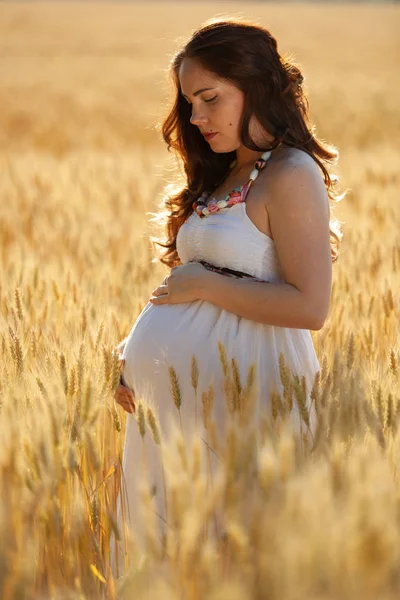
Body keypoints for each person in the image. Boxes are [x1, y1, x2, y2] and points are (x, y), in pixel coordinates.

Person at [109, 17, 343, 578]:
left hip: (245, 407)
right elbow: (187, 283)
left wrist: (207, 286)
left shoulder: (289, 173)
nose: (196, 117)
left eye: (210, 98)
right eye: (189, 102)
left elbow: (311, 306)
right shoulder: (222, 177)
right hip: (173, 415)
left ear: (256, 86)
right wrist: (133, 354)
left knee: (230, 562)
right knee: (165, 565)